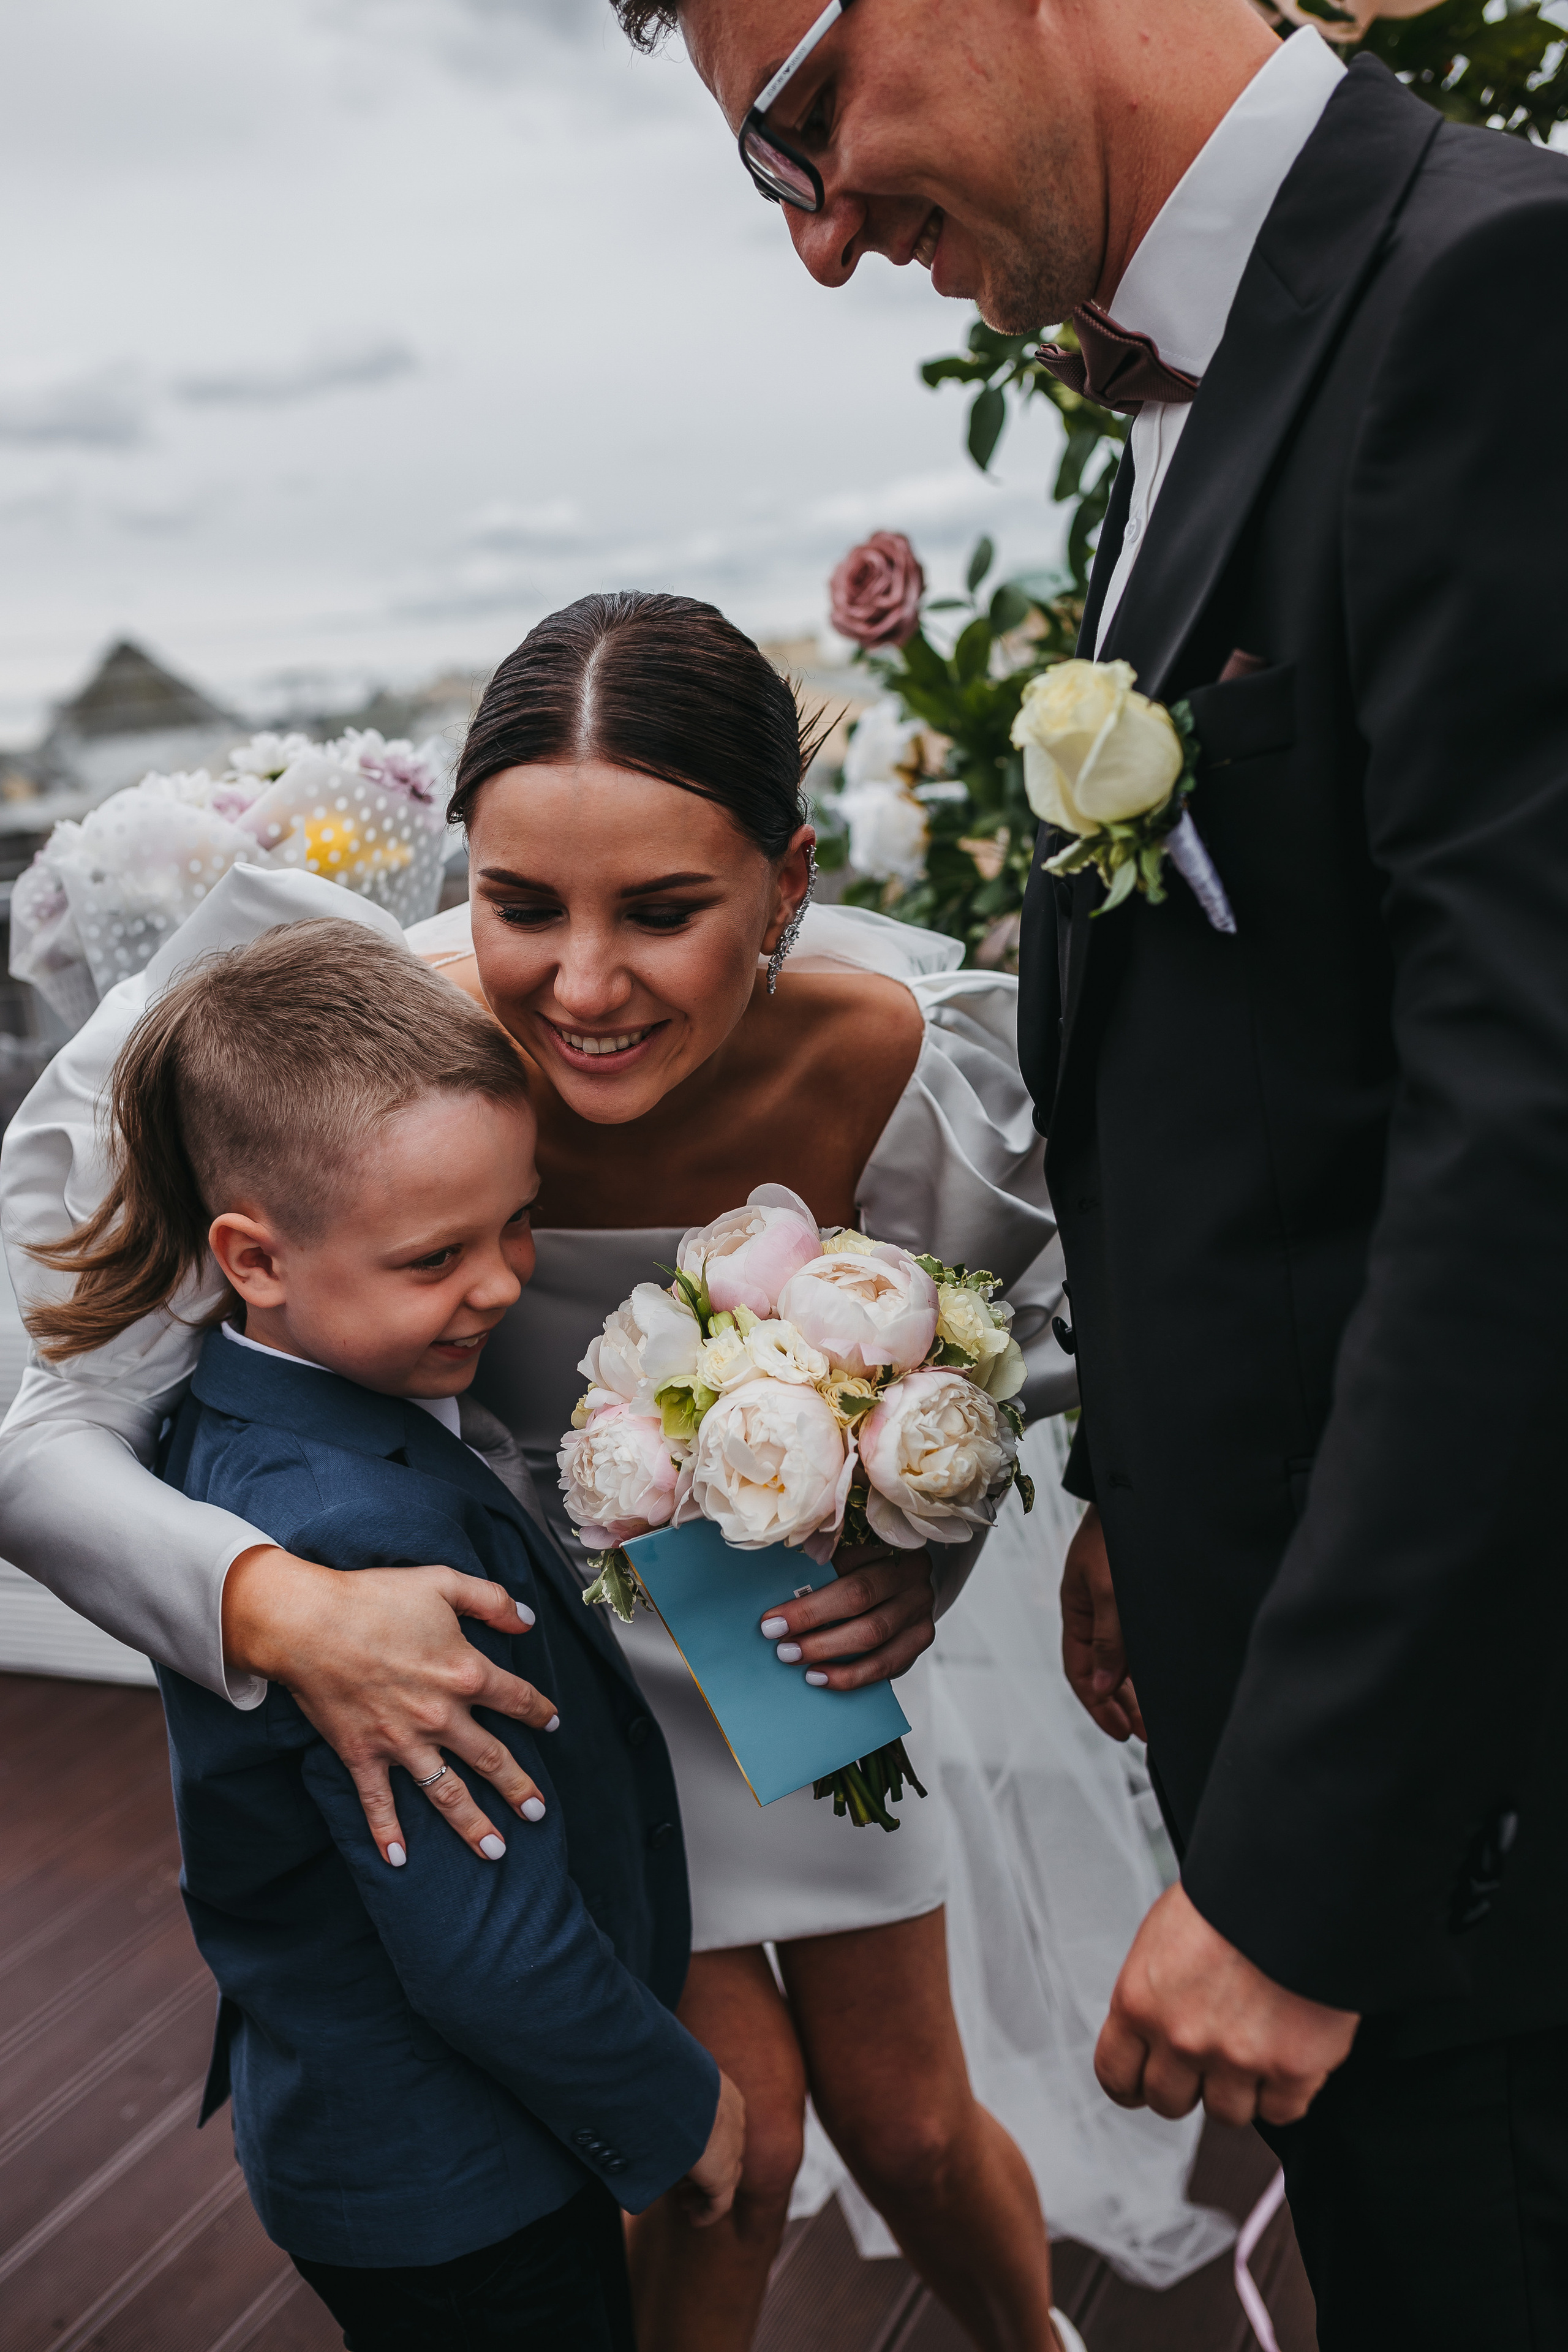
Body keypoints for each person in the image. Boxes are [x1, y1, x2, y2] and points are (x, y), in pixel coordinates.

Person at [624, 0, 1568, 2342]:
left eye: (799, 126)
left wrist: (1317, 1878)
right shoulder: (1212, 375)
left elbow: (1528, 1136)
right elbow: (1283, 1087)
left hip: (1478, 1834)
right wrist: (1146, 1496)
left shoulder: (1491, 292)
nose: (824, 242)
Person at [0, 592, 1234, 2352]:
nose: (581, 988)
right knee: (728, 2155)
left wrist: (926, 1565)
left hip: (767, 1642)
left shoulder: (904, 1065)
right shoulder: (347, 1083)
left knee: (910, 2119)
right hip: (525, 1667)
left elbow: (1027, 1341)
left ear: (785, 890)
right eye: (519, 906)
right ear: (459, 881)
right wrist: (285, 1613)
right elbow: (38, 1434)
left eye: (663, 913)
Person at [26, 916, 740, 2350]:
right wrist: (680, 2105)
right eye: (436, 1258)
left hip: (386, 2130)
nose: (501, 1283)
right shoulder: (353, 1540)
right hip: (453, 2179)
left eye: (517, 1223)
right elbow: (483, 1936)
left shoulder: (252, 1415)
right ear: (254, 1258)